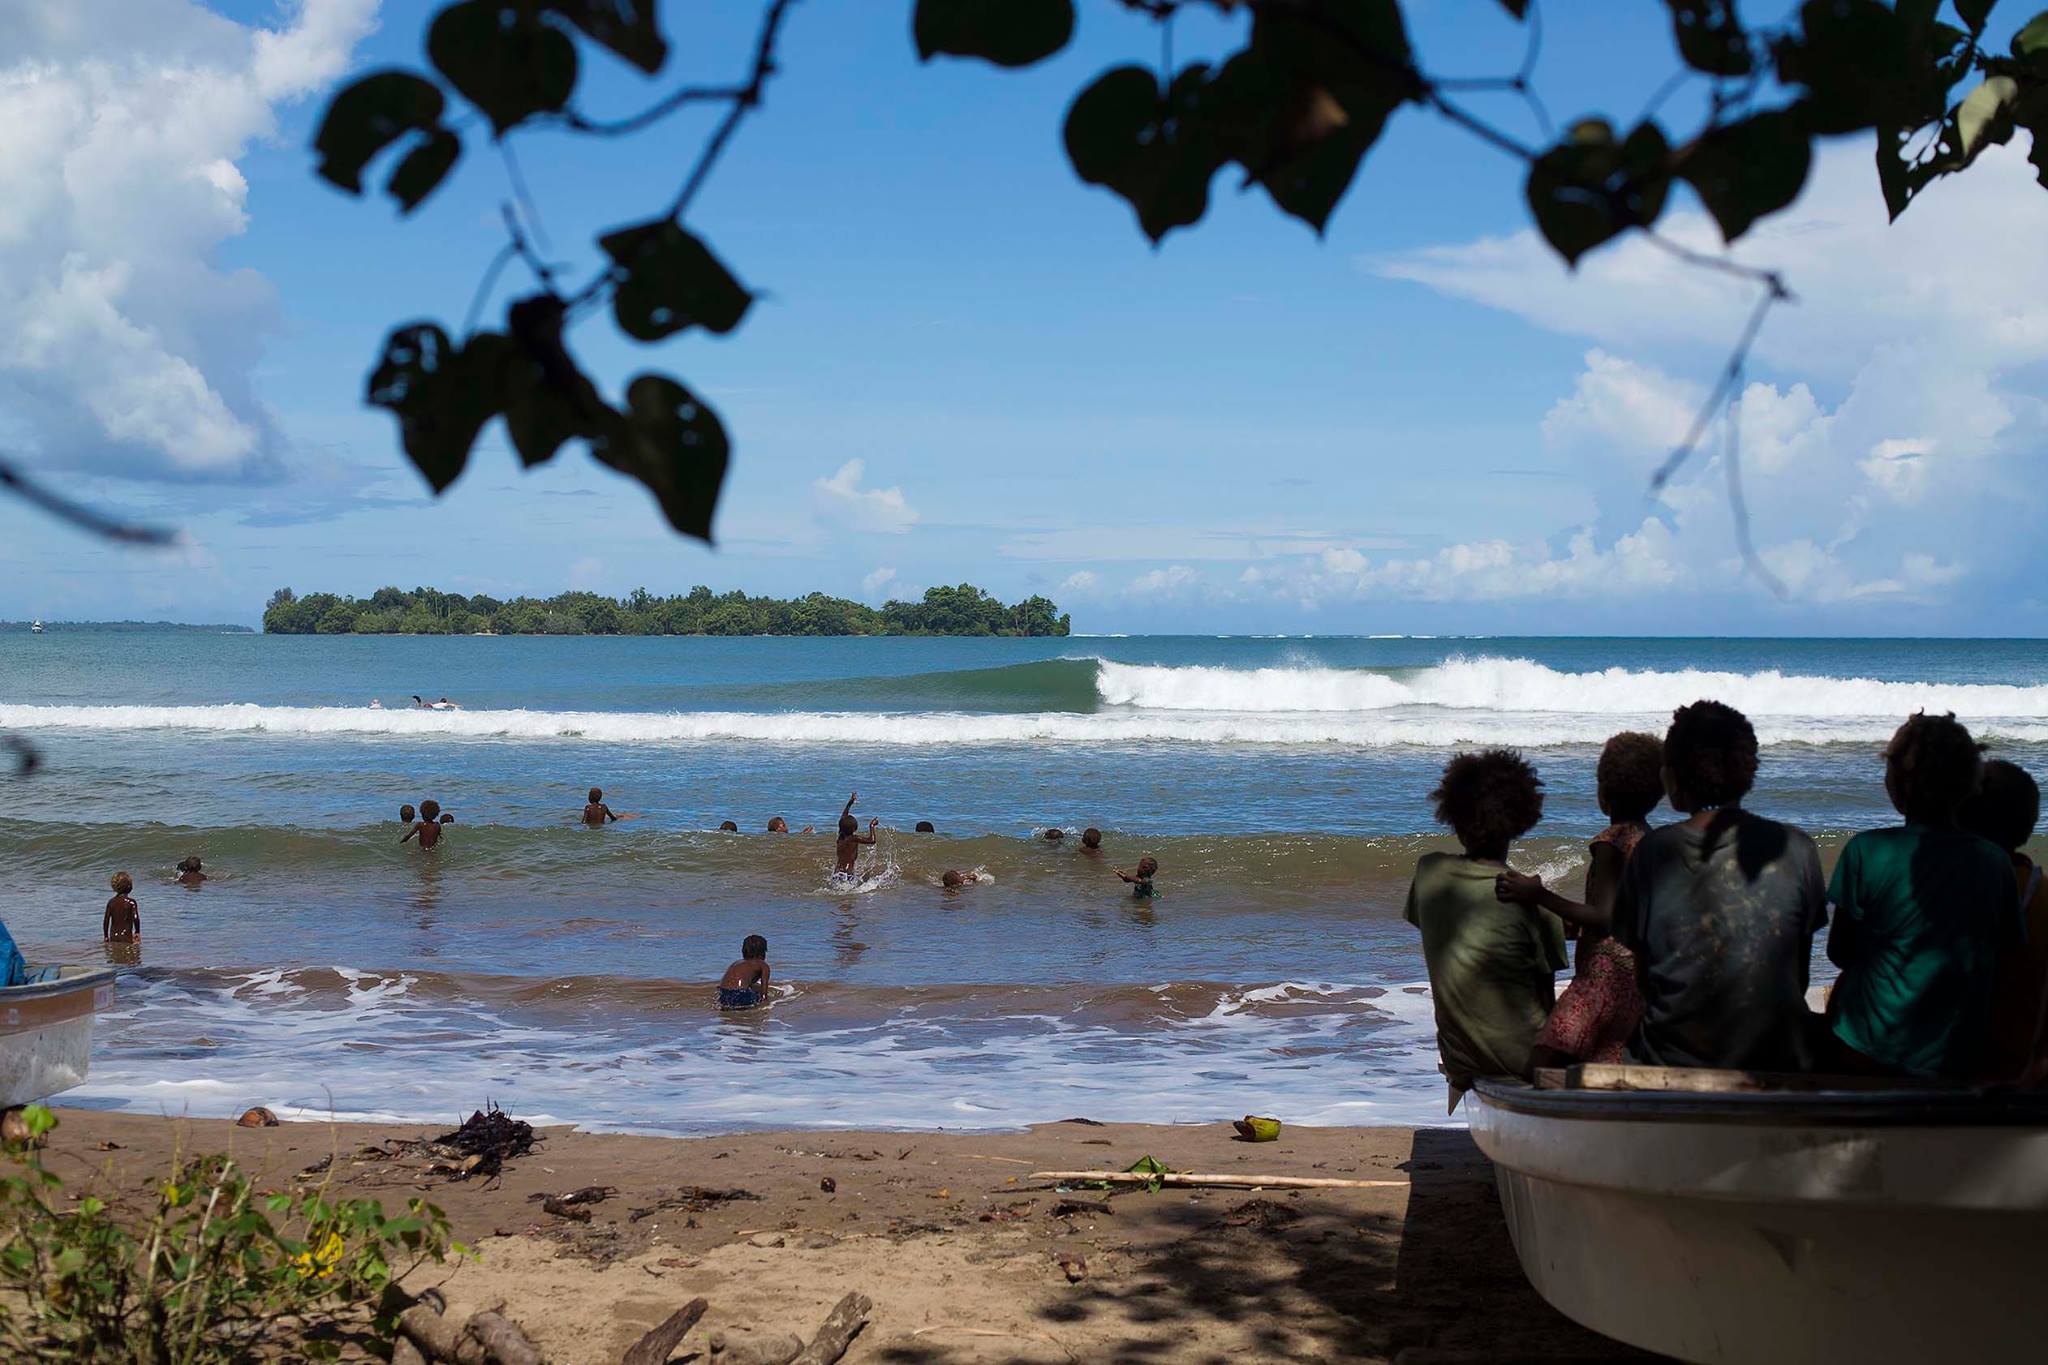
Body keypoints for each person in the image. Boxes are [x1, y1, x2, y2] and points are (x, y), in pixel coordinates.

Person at [1613, 700, 1826, 1072]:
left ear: (1674, 777)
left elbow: (1645, 978)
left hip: (1673, 1058)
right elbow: (1798, 973)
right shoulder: (1798, 848)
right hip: (1780, 1056)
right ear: (1748, 770)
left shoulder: (1653, 852)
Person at [1825, 713, 2017, 1078]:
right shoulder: (1995, 862)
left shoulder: (1867, 850)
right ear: (1969, 785)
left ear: (1899, 784)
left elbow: (1840, 953)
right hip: (1955, 1054)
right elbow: (2002, 959)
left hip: (1864, 1045)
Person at [1405, 750, 1564, 1107]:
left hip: (1461, 1057)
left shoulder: (1429, 874)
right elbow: (1546, 1004)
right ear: (1522, 820)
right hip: (1523, 1062)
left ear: (1454, 818)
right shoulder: (1537, 910)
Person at [1496, 731, 1664, 1067]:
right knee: (1606, 1059)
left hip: (1603, 975)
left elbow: (1604, 917)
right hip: (1640, 977)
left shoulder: (1611, 842)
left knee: (1545, 1056)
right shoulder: (1651, 840)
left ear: (1604, 793)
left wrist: (1538, 894)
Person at [1962, 759, 2048, 1083]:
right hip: (2016, 1064)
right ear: (2029, 824)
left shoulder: (1934, 884)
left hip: (1936, 1062)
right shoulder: (2040, 893)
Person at [719, 934, 771, 1010]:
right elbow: (764, 994)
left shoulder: (736, 963)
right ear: (763, 952)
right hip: (742, 994)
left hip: (723, 994)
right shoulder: (763, 965)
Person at [835, 793, 877, 879]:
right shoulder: (854, 838)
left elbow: (843, 816)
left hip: (837, 871)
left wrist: (850, 802)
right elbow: (872, 840)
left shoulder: (840, 836)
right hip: (847, 873)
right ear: (854, 828)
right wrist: (872, 826)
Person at [104, 872, 140, 942]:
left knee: (115, 952)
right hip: (126, 935)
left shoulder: (111, 902)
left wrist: (106, 936)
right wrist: (137, 931)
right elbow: (136, 918)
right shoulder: (131, 902)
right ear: (129, 886)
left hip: (113, 936)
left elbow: (106, 920)